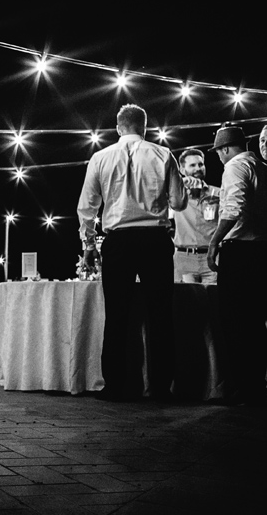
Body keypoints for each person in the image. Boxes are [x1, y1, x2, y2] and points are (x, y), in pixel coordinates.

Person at [77, 104, 187, 401]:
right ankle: (161, 387)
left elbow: (87, 208)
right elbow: (178, 203)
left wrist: (89, 244)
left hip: (119, 242)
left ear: (118, 128)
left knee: (117, 315)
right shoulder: (163, 154)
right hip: (154, 240)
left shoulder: (100, 157)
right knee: (160, 315)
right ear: (145, 127)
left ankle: (117, 386)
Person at [206, 125, 267, 406]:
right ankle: (256, 383)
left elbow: (233, 208)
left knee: (234, 320)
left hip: (239, 250)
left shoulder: (234, 166)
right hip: (260, 250)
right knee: (256, 321)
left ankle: (242, 387)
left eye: (218, 151)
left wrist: (215, 241)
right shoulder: (261, 165)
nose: (218, 157)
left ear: (226, 149)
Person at [171, 149, 220, 284]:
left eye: (200, 164)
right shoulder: (176, 195)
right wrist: (180, 184)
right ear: (182, 169)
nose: (198, 168)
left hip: (212, 257)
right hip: (184, 258)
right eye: (192, 165)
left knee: (213, 301)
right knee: (188, 302)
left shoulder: (218, 193)